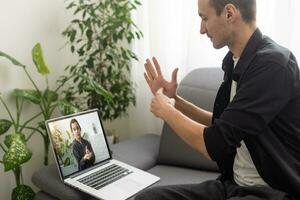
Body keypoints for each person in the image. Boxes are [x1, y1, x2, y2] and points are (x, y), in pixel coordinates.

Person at [136, 0, 300, 199]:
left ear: (229, 13)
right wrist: (175, 100)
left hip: (271, 192)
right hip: (232, 185)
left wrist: (167, 112)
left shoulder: (272, 65)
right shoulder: (236, 60)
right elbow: (223, 125)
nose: (201, 29)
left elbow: (215, 143)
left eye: (205, 18)